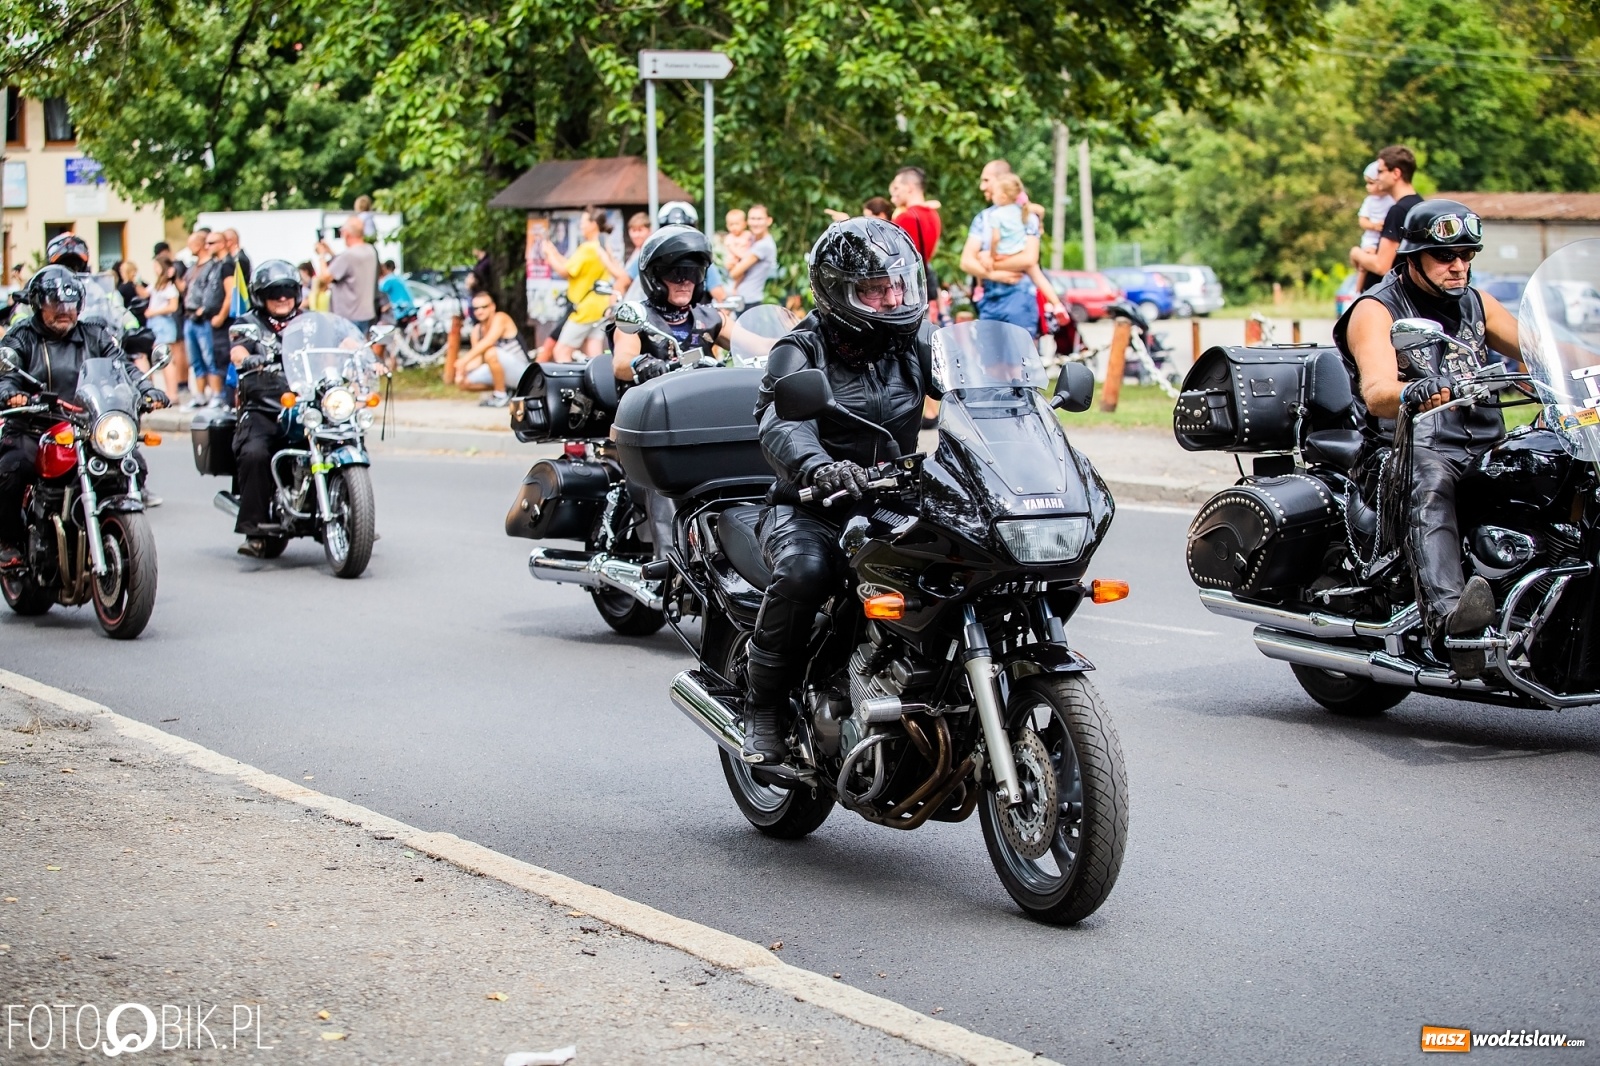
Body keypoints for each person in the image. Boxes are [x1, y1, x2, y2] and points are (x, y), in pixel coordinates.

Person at [741, 218, 939, 764]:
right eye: (875, 290)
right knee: (805, 572)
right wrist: (819, 467)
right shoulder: (800, 350)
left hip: (893, 502)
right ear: (837, 292)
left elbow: (979, 393)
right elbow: (781, 423)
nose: (892, 300)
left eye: (898, 286)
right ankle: (764, 706)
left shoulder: (916, 343)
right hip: (814, 506)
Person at [1333, 200, 1520, 679]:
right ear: (1412, 257)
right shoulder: (1376, 309)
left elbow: (1541, 348)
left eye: (1467, 254)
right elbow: (1377, 392)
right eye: (1445, 256)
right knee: (1431, 481)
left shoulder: (1477, 302)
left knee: (1551, 464)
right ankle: (1453, 624)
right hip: (1406, 449)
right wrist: (1412, 391)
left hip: (1483, 445)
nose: (1459, 265)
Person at [0, 267, 168, 568]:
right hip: (34, 426)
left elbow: (122, 367)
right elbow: (6, 375)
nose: (65, 311)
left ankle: (113, 531)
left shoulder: (94, 334)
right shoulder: (22, 336)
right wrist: (11, 393)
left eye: (71, 304)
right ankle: (9, 541)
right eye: (55, 304)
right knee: (11, 470)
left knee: (133, 464)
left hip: (87, 426)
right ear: (38, 304)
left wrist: (146, 389)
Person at [225, 260, 306, 557]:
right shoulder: (249, 323)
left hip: (306, 403)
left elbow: (339, 340)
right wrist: (246, 358)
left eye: (288, 291)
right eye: (274, 292)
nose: (282, 297)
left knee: (343, 434)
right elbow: (238, 349)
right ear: (261, 296)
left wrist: (358, 351)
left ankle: (351, 509)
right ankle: (255, 528)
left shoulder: (308, 321)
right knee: (255, 452)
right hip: (264, 406)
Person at [540, 206, 626, 362]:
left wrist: (548, 256)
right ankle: (600, 377)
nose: (581, 225)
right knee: (593, 352)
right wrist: (553, 253)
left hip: (584, 308)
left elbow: (565, 272)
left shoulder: (587, 248)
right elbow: (571, 265)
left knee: (561, 351)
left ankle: (566, 378)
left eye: (583, 222)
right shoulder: (601, 245)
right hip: (599, 306)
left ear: (593, 224)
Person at [1350, 145, 1421, 292]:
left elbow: (1382, 266)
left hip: (1387, 297)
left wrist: (1356, 253)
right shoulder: (1419, 205)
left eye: (1380, 171)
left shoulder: (1398, 211)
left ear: (1396, 173)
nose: (1377, 177)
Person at [454, 290, 530, 406]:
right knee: (463, 382)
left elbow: (488, 342)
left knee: (490, 352)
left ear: (492, 307)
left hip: (522, 372)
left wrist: (463, 361)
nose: (480, 311)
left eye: (484, 307)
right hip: (500, 370)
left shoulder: (501, 318)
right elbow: (478, 360)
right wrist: (462, 370)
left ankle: (500, 396)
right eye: (476, 308)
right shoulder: (477, 330)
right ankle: (507, 390)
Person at [183, 230, 226, 406]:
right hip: (189, 316)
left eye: (192, 244)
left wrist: (204, 309)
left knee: (210, 357)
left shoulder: (213, 267)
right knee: (195, 360)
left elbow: (214, 291)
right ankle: (199, 395)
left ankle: (217, 394)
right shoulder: (192, 267)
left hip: (204, 318)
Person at [315, 216, 379, 332]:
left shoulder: (348, 255)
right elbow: (348, 268)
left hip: (348, 316)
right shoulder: (370, 250)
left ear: (347, 234)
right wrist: (330, 252)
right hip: (365, 314)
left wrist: (322, 255)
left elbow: (325, 278)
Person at [729, 204, 777, 305]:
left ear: (769, 221)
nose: (755, 223)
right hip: (741, 298)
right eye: (752, 219)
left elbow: (734, 273)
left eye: (759, 219)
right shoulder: (751, 239)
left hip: (750, 300)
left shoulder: (764, 245)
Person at [1356, 160, 1393, 275]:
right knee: (1367, 259)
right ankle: (1359, 285)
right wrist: (1373, 226)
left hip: (1386, 239)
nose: (1367, 187)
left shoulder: (1392, 199)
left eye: (1371, 183)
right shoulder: (1369, 201)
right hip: (1371, 239)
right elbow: (1362, 220)